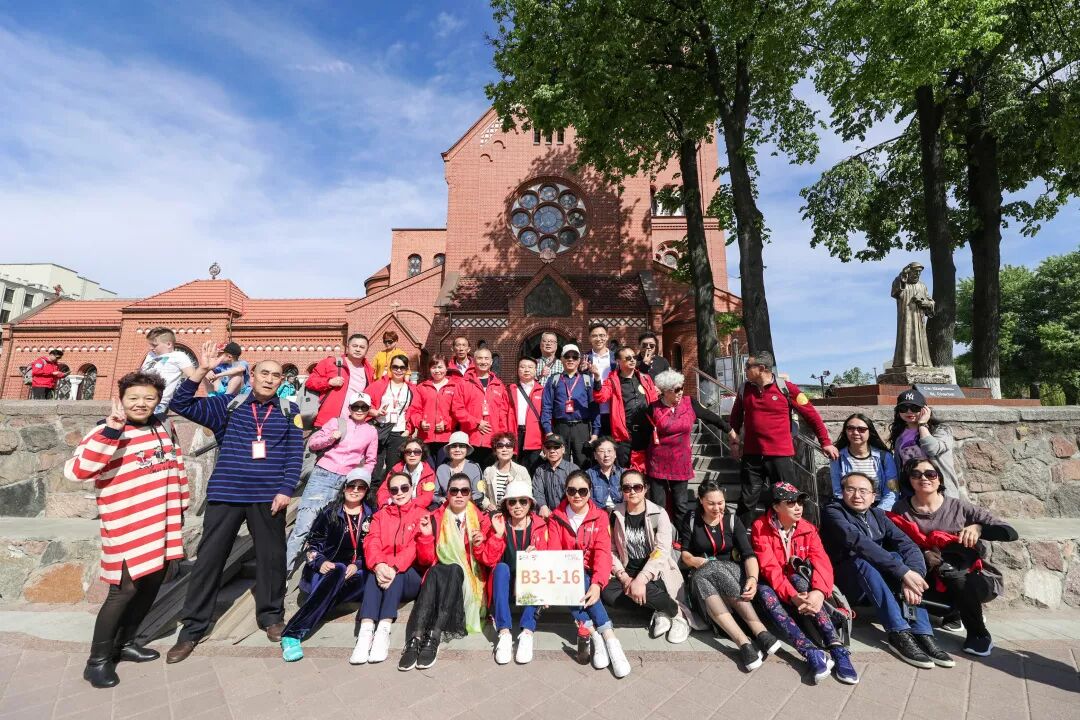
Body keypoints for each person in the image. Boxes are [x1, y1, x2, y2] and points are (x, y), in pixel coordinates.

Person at [166, 342, 303, 664]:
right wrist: (201, 371)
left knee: (272, 559)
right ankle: (193, 628)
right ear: (251, 375)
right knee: (209, 561)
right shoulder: (227, 405)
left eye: (276, 375)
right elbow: (180, 403)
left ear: (281, 381)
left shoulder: (289, 411)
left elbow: (295, 453)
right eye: (264, 373)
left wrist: (286, 489)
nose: (269, 379)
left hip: (268, 498)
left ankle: (271, 616)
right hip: (227, 495)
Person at [64, 371, 189, 688]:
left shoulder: (163, 426)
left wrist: (181, 507)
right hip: (126, 525)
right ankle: (97, 661)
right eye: (133, 398)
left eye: (149, 398)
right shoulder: (105, 431)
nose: (141, 403)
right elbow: (76, 471)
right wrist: (112, 430)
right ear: (120, 400)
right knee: (123, 591)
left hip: (161, 522)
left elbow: (176, 467)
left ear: (157, 401)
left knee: (151, 585)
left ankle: (126, 643)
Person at [822, 471, 953, 669]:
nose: (857, 495)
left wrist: (913, 576)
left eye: (863, 491)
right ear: (843, 492)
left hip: (878, 583)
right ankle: (898, 632)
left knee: (899, 558)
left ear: (873, 496)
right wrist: (903, 573)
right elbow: (859, 542)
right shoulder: (834, 512)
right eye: (851, 489)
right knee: (861, 559)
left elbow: (908, 545)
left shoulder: (878, 515)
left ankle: (922, 632)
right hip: (849, 584)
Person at [889, 458, 1013, 657]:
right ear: (909, 480)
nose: (924, 478)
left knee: (958, 577)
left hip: (969, 575)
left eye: (930, 474)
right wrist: (924, 552)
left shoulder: (959, 507)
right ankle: (952, 613)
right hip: (929, 573)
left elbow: (1009, 532)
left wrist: (978, 528)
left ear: (939, 479)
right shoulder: (901, 509)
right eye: (916, 474)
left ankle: (979, 634)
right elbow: (896, 541)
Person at [752, 482, 859, 685]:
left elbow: (822, 562)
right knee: (765, 592)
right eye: (791, 502)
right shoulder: (760, 527)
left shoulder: (807, 529)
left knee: (798, 580)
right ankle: (811, 652)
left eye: (800, 502)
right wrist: (792, 595)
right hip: (774, 585)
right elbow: (769, 568)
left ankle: (837, 648)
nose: (798, 507)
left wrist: (818, 592)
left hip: (801, 586)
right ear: (775, 506)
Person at [398, 474, 506, 670]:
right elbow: (426, 560)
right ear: (447, 494)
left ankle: (434, 636)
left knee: (454, 569)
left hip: (469, 582)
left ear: (470, 494)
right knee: (437, 571)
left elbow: (489, 560)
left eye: (464, 491)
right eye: (454, 491)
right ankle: (415, 639)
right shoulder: (434, 518)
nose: (459, 495)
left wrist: (494, 537)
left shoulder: (482, 521)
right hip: (440, 579)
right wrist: (426, 537)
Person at [729, 350, 839, 526]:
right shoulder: (744, 389)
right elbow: (735, 419)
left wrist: (825, 442)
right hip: (752, 455)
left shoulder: (786, 388)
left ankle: (784, 535)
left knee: (785, 499)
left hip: (780, 456)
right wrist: (734, 442)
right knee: (747, 500)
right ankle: (741, 538)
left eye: (748, 366)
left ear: (762, 368)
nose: (745, 369)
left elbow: (811, 414)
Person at [677, 480, 778, 671]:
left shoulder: (732, 519)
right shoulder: (691, 519)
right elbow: (685, 554)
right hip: (701, 575)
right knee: (704, 575)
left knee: (713, 569)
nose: (717, 508)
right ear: (700, 500)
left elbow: (748, 554)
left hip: (731, 572)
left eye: (721, 502)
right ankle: (752, 637)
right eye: (711, 503)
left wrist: (752, 579)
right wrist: (695, 561)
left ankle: (746, 641)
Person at [280, 472, 373, 662]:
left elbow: (373, 549)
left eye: (361, 487)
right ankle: (292, 633)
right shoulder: (330, 512)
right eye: (351, 486)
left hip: (353, 573)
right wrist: (320, 561)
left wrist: (357, 565)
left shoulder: (371, 515)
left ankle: (309, 615)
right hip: (325, 573)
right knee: (338, 569)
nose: (355, 490)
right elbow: (312, 544)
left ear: (366, 491)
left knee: (369, 576)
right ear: (344, 488)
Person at [547, 470, 631, 678]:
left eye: (582, 491)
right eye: (572, 490)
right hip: (568, 572)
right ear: (565, 491)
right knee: (575, 577)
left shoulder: (600, 516)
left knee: (583, 579)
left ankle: (606, 639)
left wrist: (597, 583)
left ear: (590, 491)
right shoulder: (556, 517)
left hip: (593, 571)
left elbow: (603, 552)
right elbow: (555, 552)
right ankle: (602, 635)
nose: (577, 495)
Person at [285, 395, 378, 574]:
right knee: (303, 526)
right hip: (323, 474)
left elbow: (371, 459)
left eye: (364, 407)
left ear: (368, 410)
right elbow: (313, 443)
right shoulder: (337, 422)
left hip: (347, 481)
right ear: (349, 408)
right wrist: (330, 438)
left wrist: (361, 478)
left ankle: (319, 567)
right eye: (356, 406)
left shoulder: (371, 431)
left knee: (333, 526)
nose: (359, 410)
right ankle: (284, 573)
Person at [607, 470, 692, 644]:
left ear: (645, 488)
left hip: (655, 572)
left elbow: (661, 551)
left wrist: (641, 579)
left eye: (637, 487)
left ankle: (678, 614)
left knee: (647, 587)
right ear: (621, 491)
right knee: (607, 593)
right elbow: (611, 550)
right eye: (627, 488)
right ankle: (660, 610)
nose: (632, 491)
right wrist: (624, 577)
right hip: (627, 570)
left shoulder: (659, 513)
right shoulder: (615, 514)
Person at [353, 471, 426, 665]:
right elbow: (372, 541)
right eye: (394, 490)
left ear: (412, 489)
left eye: (404, 488)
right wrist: (379, 565)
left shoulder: (421, 514)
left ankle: (383, 629)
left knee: (398, 572)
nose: (399, 493)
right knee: (372, 572)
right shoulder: (380, 516)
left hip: (409, 576)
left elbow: (415, 546)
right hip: (383, 571)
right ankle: (366, 630)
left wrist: (393, 566)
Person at [646, 369, 731, 521]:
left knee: (681, 505)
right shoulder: (653, 408)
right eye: (676, 389)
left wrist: (729, 430)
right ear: (666, 391)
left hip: (681, 461)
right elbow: (643, 434)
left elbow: (710, 417)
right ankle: (661, 533)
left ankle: (682, 534)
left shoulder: (689, 403)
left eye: (682, 387)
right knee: (658, 505)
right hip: (658, 462)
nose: (681, 392)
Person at [489, 480, 550, 664]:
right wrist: (497, 535)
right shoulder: (498, 523)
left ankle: (527, 632)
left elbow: (549, 560)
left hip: (529, 586)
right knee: (501, 568)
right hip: (505, 585)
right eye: (512, 501)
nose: (517, 506)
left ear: (530, 503)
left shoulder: (541, 525)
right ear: (506, 504)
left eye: (523, 501)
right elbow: (489, 559)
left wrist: (538, 554)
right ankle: (504, 633)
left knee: (535, 565)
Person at [592, 346, 658, 470]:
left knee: (649, 470)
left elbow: (654, 401)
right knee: (624, 471)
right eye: (628, 358)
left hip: (647, 432)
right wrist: (597, 378)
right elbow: (600, 397)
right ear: (618, 361)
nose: (632, 360)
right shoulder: (612, 380)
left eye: (634, 357)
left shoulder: (645, 378)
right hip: (625, 434)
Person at [888, 388, 959, 498]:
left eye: (914, 408)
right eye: (903, 408)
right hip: (911, 492)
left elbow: (932, 449)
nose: (909, 412)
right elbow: (899, 466)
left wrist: (922, 425)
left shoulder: (941, 430)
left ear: (925, 409)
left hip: (940, 491)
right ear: (898, 412)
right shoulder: (899, 435)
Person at [452, 347, 511, 468]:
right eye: (480, 358)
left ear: (491, 362)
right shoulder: (464, 383)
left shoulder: (499, 385)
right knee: (471, 475)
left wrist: (501, 438)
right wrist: (477, 422)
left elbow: (503, 414)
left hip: (492, 441)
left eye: (486, 358)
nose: (483, 361)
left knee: (490, 475)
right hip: (470, 439)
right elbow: (457, 409)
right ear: (474, 361)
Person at [540, 344, 598, 467]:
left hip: (581, 427)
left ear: (579, 360)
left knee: (584, 464)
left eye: (574, 357)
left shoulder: (587, 380)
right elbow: (546, 406)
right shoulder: (554, 380)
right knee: (559, 464)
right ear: (561, 359)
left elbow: (594, 407)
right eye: (567, 356)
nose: (570, 359)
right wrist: (548, 431)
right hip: (560, 427)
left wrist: (595, 432)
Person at [830, 413, 900, 510]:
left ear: (870, 432)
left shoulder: (885, 457)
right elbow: (838, 492)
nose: (855, 432)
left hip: (879, 508)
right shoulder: (838, 458)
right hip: (850, 509)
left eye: (861, 429)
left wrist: (879, 512)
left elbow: (892, 490)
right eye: (850, 428)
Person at [305, 333, 376, 429]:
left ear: (367, 350)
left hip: (355, 424)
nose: (358, 349)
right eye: (354, 346)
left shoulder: (369, 370)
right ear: (347, 347)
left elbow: (370, 395)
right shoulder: (331, 362)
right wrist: (329, 382)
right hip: (329, 421)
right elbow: (310, 381)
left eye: (362, 347)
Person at [367, 355, 416, 485]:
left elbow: (415, 411)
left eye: (402, 367)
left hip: (399, 432)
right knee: (375, 467)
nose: (398, 370)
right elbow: (363, 402)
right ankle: (372, 493)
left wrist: (409, 430)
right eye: (395, 367)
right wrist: (375, 412)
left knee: (393, 468)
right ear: (390, 368)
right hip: (379, 429)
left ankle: (388, 493)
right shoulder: (379, 384)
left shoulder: (411, 389)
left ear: (407, 369)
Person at [408, 355, 458, 463]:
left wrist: (446, 424)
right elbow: (415, 410)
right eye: (434, 367)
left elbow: (457, 412)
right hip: (426, 437)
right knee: (427, 468)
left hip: (446, 437)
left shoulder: (455, 387)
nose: (437, 370)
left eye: (440, 367)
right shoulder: (422, 387)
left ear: (446, 368)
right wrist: (420, 422)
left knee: (443, 468)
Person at [141, 327, 194, 415]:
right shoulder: (150, 355)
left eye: (154, 345)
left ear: (169, 344)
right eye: (150, 345)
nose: (151, 348)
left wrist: (181, 396)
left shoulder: (178, 356)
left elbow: (193, 376)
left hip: (158, 402)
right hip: (140, 398)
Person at [375, 437, 438, 509]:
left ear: (422, 454)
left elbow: (427, 497)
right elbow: (383, 490)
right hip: (395, 507)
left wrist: (407, 507)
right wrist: (385, 504)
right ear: (404, 454)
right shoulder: (396, 470)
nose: (412, 455)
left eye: (417, 452)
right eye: (408, 452)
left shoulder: (428, 473)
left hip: (417, 509)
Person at [508, 356, 545, 472]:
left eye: (530, 367)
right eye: (523, 367)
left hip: (535, 436)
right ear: (518, 369)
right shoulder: (510, 389)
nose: (526, 370)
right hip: (515, 434)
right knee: (514, 470)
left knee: (534, 470)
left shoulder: (542, 391)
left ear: (535, 370)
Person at [479, 432, 531, 512]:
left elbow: (528, 494)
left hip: (515, 514)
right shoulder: (488, 471)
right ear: (495, 451)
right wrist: (487, 504)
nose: (504, 449)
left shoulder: (522, 471)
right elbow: (481, 492)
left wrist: (514, 485)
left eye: (508, 446)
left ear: (513, 450)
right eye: (500, 446)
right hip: (494, 513)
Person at [531, 434, 579, 518]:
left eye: (556, 447)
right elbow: (537, 491)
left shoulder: (573, 469)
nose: (552, 451)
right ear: (544, 450)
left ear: (563, 449)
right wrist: (542, 505)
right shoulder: (540, 470)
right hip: (547, 515)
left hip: (570, 514)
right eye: (548, 447)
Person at [584, 322, 617, 436]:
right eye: (594, 336)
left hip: (613, 409)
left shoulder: (616, 358)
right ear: (589, 338)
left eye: (602, 335)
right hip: (592, 410)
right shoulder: (584, 359)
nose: (598, 339)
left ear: (607, 337)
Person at [434, 431, 484, 507]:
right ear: (449, 450)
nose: (457, 449)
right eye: (454, 446)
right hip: (446, 507)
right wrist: (441, 500)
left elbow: (479, 493)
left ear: (467, 449)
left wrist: (462, 501)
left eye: (461, 446)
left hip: (469, 507)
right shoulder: (442, 469)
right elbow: (434, 494)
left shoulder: (474, 467)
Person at [586, 437, 624, 510]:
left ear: (615, 454)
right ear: (595, 455)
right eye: (601, 451)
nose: (606, 455)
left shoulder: (623, 474)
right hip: (597, 513)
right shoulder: (588, 475)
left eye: (609, 451)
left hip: (620, 513)